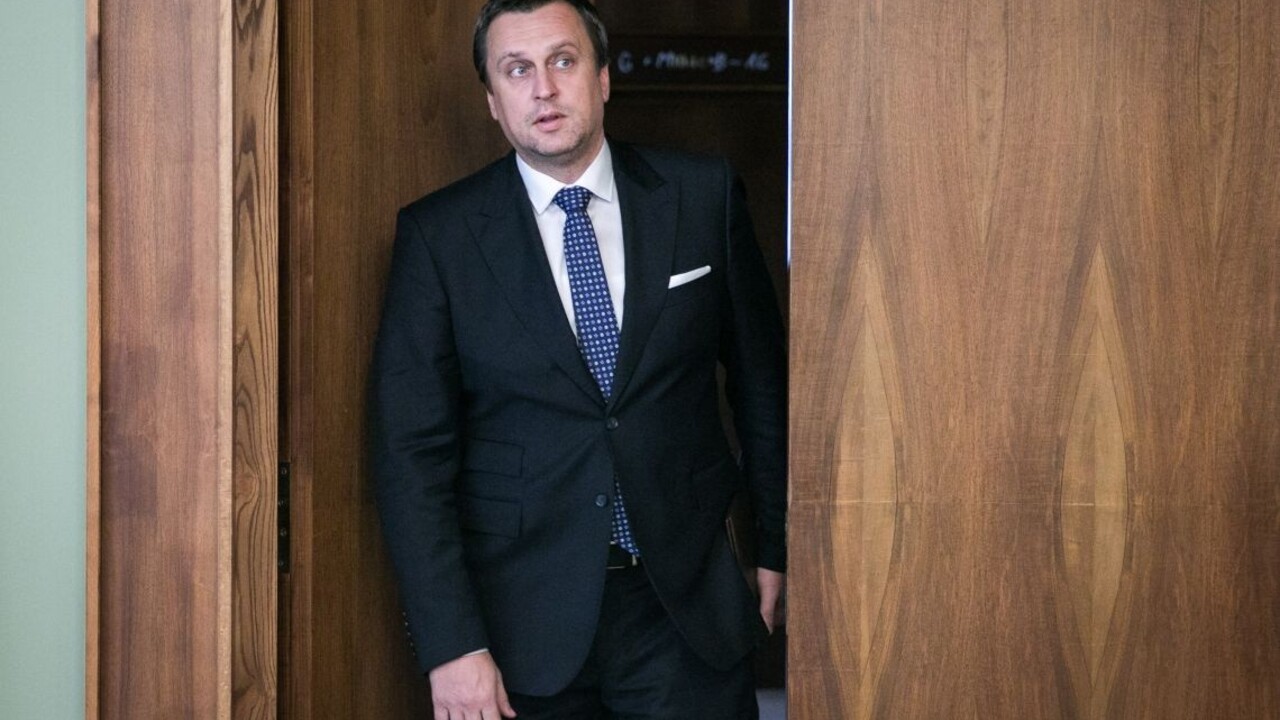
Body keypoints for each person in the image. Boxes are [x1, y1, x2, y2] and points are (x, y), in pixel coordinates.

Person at [368, 1, 787, 717]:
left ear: (603, 78)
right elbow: (411, 457)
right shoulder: (439, 238)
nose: (544, 88)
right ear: (492, 101)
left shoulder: (701, 196)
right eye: (516, 70)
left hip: (685, 612)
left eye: (563, 61)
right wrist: (451, 645)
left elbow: (763, 386)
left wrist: (775, 545)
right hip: (521, 625)